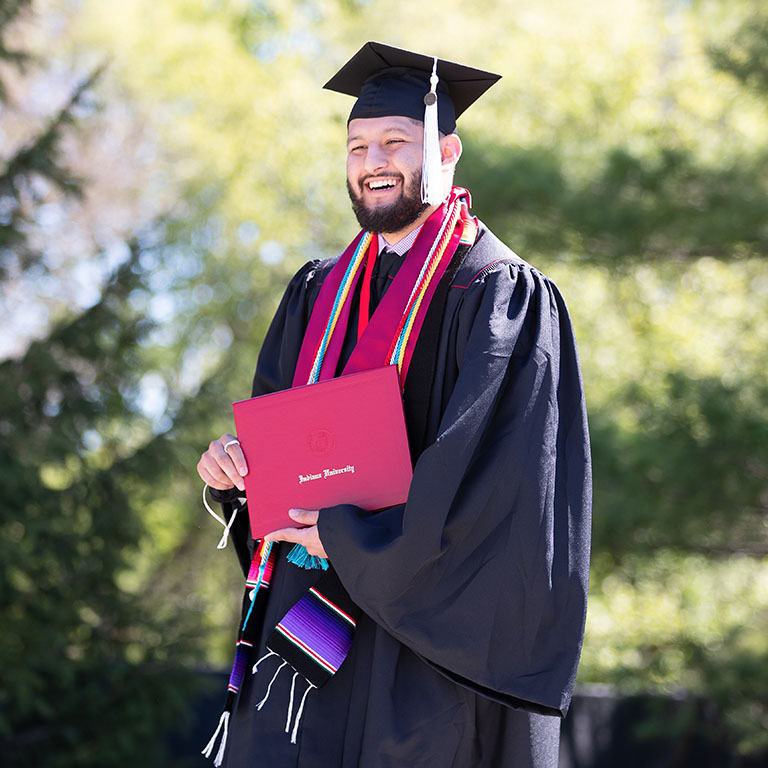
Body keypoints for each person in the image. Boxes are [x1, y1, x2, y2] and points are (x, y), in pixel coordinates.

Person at [197, 41, 591, 768]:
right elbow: (280, 459)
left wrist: (351, 538)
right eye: (357, 146)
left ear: (447, 151)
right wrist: (238, 474)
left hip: (425, 661)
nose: (372, 160)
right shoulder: (316, 292)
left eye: (395, 142)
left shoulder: (501, 297)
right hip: (303, 648)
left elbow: (503, 494)